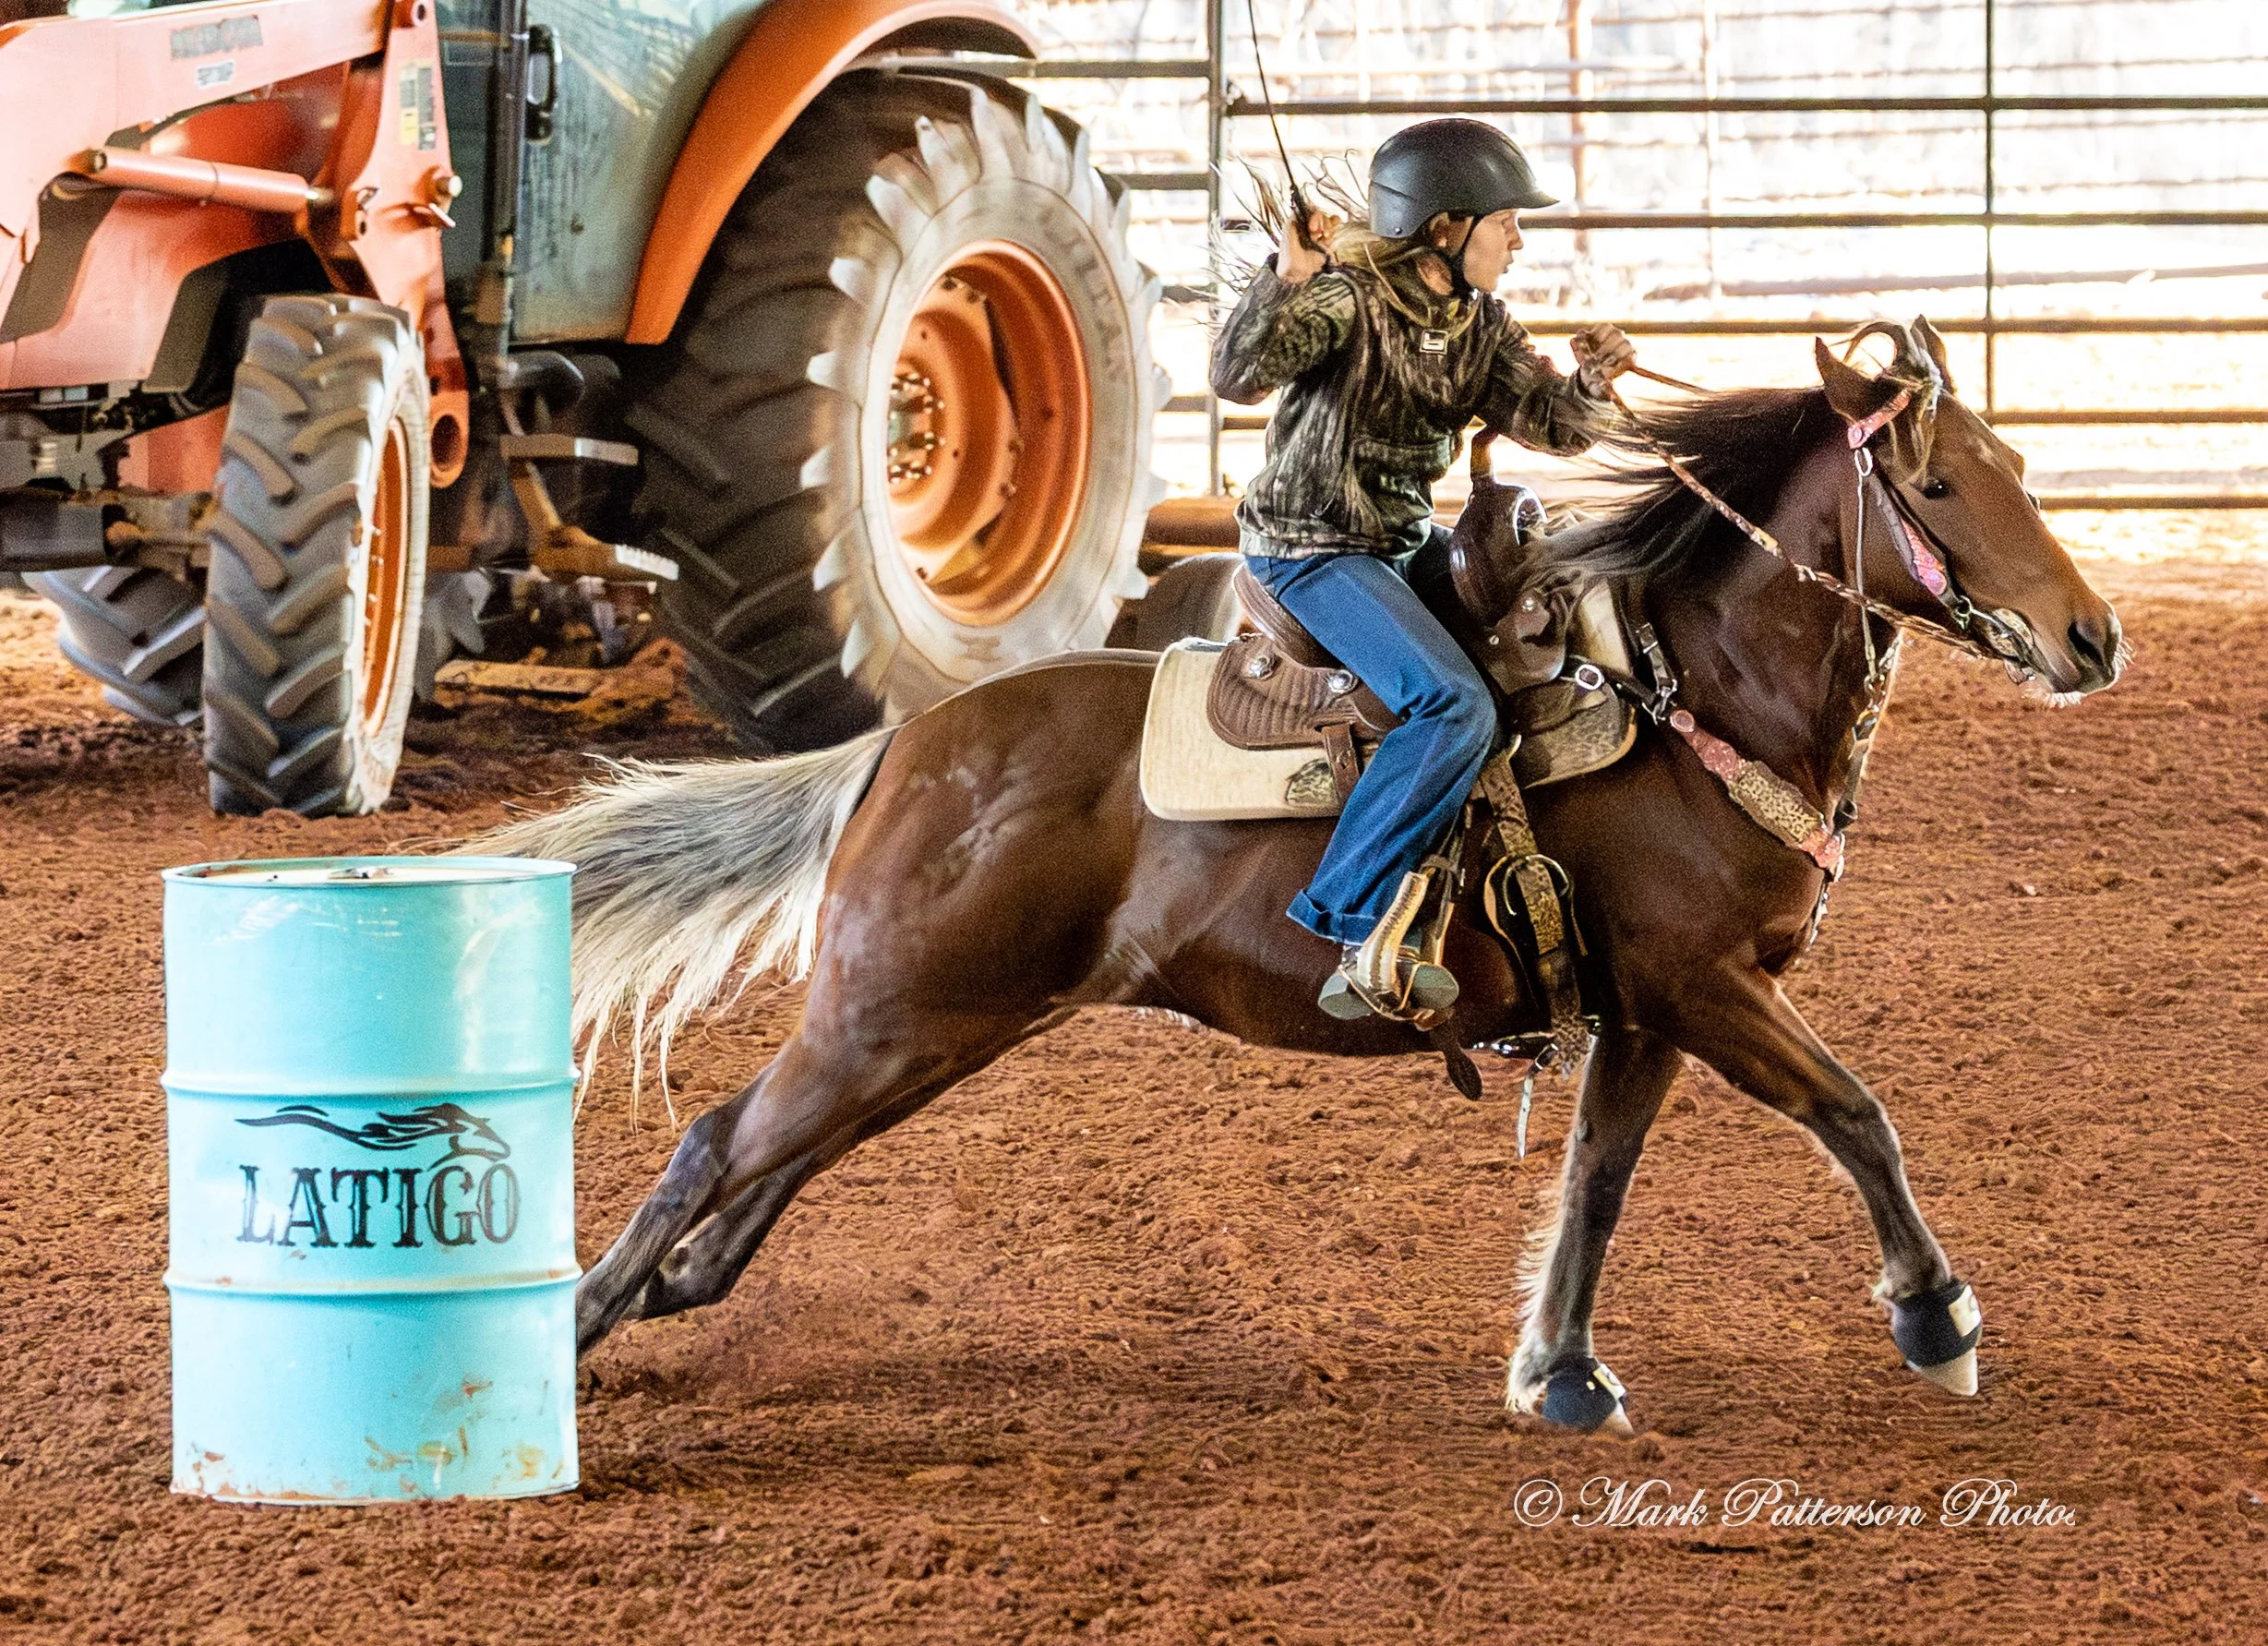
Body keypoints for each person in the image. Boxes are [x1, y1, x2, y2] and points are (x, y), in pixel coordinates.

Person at [1209, 118, 1637, 1021]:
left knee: (1532, 646)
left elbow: (1548, 420)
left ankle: (1468, 886)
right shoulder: (1344, 298)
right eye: (1506, 221)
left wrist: (1592, 388)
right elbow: (1236, 374)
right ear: (1445, 227)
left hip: (1399, 544)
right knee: (1454, 703)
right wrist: (1284, 279)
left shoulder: (1478, 323)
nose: (1519, 240)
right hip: (1310, 548)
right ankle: (1352, 918)